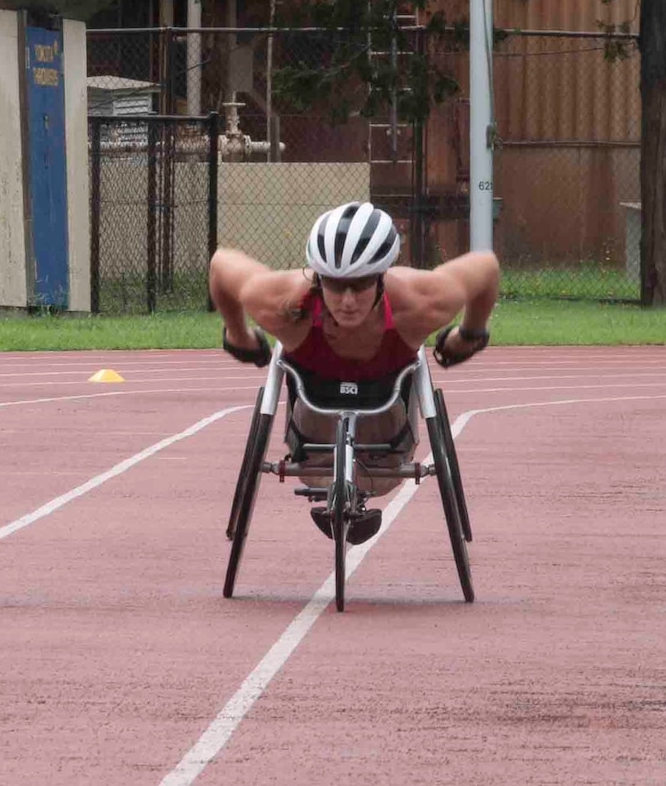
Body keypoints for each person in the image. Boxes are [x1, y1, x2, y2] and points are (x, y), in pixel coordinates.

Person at [208, 201, 498, 541]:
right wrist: (237, 334)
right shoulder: (282, 304)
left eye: (360, 285)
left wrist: (469, 334)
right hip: (312, 447)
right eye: (334, 284)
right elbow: (220, 265)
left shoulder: (419, 303)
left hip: (387, 451)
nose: (347, 300)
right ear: (317, 277)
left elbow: (487, 268)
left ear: (381, 277)